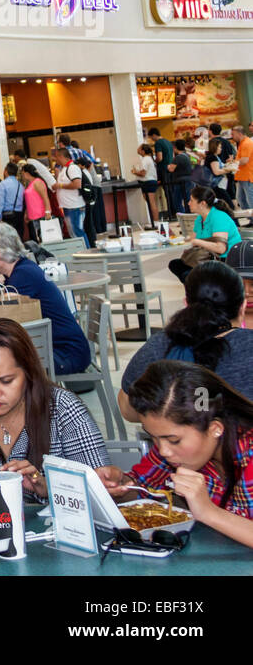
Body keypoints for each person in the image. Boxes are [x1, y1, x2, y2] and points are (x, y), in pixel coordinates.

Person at [0, 319, 108, 506]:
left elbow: (102, 494)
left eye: (6, 380)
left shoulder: (65, 410)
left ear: (28, 373)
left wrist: (48, 489)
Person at [98, 361, 253, 547]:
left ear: (215, 429)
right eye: (153, 438)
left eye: (174, 440)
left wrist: (209, 512)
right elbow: (143, 488)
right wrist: (119, 486)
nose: (163, 450)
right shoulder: (175, 450)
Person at [118, 261, 253, 424]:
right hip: (244, 446)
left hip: (175, 448)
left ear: (186, 304)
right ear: (242, 306)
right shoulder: (248, 346)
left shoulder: (159, 345)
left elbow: (128, 410)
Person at [0, 223, 92, 376]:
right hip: (65, 349)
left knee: (2, 365)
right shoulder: (24, 269)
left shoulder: (23, 276)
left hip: (65, 354)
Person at [169, 186, 241, 283]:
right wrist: (172, 238)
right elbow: (192, 239)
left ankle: (200, 292)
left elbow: (220, 248)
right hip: (209, 257)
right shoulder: (200, 219)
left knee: (189, 276)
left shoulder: (219, 217)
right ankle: (199, 290)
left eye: (191, 200)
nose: (188, 203)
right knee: (175, 264)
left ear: (202, 203)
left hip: (226, 260)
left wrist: (198, 242)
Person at [52, 147, 89, 248]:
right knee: (73, 233)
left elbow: (77, 184)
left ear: (61, 156)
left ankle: (87, 253)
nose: (55, 160)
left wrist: (60, 186)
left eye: (56, 157)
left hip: (75, 206)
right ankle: (81, 253)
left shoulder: (72, 168)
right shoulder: (64, 169)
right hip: (68, 206)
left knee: (78, 232)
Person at [20, 163, 53, 243]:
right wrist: (27, 213)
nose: (22, 176)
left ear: (27, 173)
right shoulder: (31, 183)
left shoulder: (37, 182)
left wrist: (48, 211)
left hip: (41, 215)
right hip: (33, 216)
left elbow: (45, 197)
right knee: (38, 238)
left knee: (43, 238)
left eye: (22, 173)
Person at [0, 163, 26, 238]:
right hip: (19, 215)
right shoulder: (20, 185)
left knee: (8, 239)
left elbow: (0, 203)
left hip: (7, 215)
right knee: (18, 237)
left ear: (6, 171)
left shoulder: (3, 184)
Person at [149, 128, 177, 219]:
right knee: (171, 191)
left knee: (167, 192)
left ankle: (170, 213)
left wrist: (154, 161)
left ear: (154, 135)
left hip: (163, 169)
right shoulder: (168, 142)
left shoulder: (158, 143)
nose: (152, 139)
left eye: (151, 137)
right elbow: (173, 156)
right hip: (171, 169)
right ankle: (174, 211)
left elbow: (159, 158)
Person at [131, 142, 160, 226]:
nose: (137, 150)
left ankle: (155, 221)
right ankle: (154, 221)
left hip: (148, 182)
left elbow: (143, 173)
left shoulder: (145, 159)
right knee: (151, 202)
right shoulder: (149, 159)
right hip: (150, 182)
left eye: (139, 148)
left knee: (151, 202)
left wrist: (135, 172)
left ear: (143, 151)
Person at [168, 138, 194, 219]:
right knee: (187, 200)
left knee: (177, 201)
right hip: (189, 180)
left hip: (181, 182)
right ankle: (189, 217)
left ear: (175, 147)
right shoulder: (187, 155)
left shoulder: (178, 157)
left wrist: (168, 166)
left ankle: (184, 218)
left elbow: (171, 169)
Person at [232, 126, 253, 211]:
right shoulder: (243, 143)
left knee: (250, 200)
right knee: (241, 199)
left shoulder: (246, 143)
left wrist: (232, 164)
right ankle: (250, 219)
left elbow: (244, 160)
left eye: (233, 134)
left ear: (239, 134)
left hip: (247, 176)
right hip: (242, 176)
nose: (232, 136)